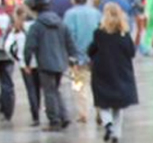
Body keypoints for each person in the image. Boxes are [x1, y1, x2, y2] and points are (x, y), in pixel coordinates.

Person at [24, 0, 79, 131]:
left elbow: (29, 46)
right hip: (61, 62)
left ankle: (54, 121)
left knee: (49, 92)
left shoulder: (37, 26)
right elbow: (70, 43)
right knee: (55, 90)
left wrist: (27, 63)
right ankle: (64, 116)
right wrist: (73, 59)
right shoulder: (61, 23)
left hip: (45, 63)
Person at [88, 1, 137, 143]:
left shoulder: (99, 33)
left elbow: (91, 50)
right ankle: (117, 133)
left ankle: (107, 124)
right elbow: (131, 52)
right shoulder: (124, 33)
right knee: (118, 105)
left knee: (103, 103)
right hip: (120, 72)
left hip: (102, 73)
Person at [64, 0, 101, 122]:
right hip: (96, 56)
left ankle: (83, 113)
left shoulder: (70, 14)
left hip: (77, 57)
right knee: (97, 84)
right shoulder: (95, 13)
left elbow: (68, 36)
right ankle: (100, 110)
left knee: (79, 86)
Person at [9, 3, 42, 125]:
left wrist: (17, 59)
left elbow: (9, 47)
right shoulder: (36, 25)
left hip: (24, 64)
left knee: (31, 89)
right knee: (38, 88)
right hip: (38, 61)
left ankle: (35, 115)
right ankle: (39, 108)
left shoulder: (16, 29)